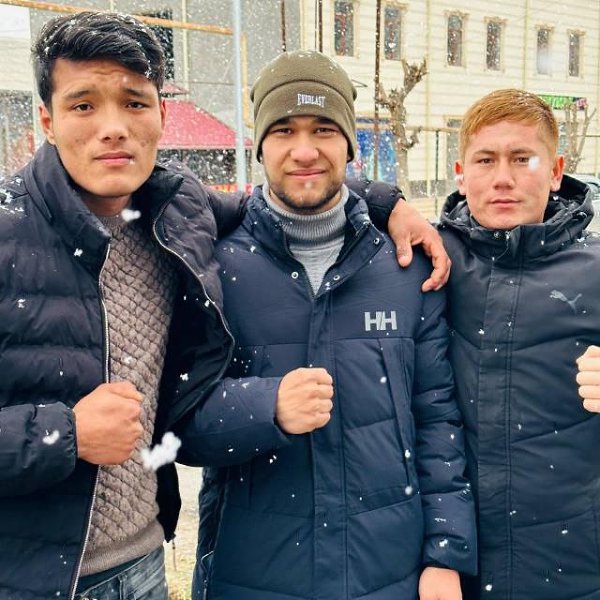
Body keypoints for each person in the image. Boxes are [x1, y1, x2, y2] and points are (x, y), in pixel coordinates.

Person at [0, 11, 449, 600]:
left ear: (161, 115)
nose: (113, 128)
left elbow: (289, 195)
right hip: (27, 576)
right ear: (47, 120)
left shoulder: (177, 215)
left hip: (144, 565)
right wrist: (65, 434)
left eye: (134, 103)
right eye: (83, 105)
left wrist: (388, 203)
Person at [179, 49, 477, 600]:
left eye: (323, 129)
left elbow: (437, 417)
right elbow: (178, 426)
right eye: (284, 131)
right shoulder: (214, 268)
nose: (304, 150)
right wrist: (265, 407)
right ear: (260, 145)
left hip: (388, 573)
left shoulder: (407, 267)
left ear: (349, 144)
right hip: (252, 573)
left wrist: (446, 552)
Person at [436, 88, 600, 599]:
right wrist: (387, 203)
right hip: (454, 566)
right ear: (461, 173)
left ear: (556, 171)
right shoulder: (429, 260)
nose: (502, 178)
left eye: (522, 158)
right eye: (485, 160)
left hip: (573, 568)